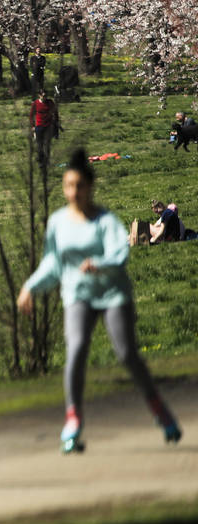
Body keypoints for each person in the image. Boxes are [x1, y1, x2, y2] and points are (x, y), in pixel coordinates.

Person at [18, 149, 182, 453]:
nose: (73, 192)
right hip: (78, 295)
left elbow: (120, 252)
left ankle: (160, 411)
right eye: (68, 186)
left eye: (79, 186)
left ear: (90, 187)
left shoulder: (105, 220)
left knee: (127, 355)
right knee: (77, 349)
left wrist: (100, 264)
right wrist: (29, 287)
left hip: (111, 294)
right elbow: (52, 263)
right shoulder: (58, 222)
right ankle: (73, 421)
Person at [29, 89, 59, 165]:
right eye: (43, 95)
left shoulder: (50, 102)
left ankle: (47, 160)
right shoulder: (35, 103)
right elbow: (31, 115)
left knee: (47, 144)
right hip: (39, 126)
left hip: (48, 126)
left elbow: (55, 112)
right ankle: (40, 160)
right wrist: (32, 126)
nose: (45, 97)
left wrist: (56, 122)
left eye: (46, 95)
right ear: (39, 95)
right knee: (39, 145)